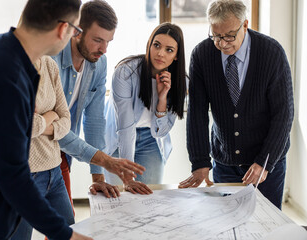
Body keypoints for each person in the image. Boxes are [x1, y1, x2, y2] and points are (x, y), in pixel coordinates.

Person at [0, 0, 141, 239]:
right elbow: (14, 175)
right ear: (63, 29)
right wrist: (67, 235)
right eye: (74, 30)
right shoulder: (9, 76)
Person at [179, 0, 294, 209]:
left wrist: (264, 162)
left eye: (229, 36)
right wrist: (200, 162)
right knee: (227, 224)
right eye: (216, 36)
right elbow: (197, 112)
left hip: (266, 163)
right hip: (225, 162)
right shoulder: (202, 55)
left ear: (245, 25)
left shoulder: (271, 52)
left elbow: (284, 114)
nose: (222, 44)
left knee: (266, 226)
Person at [54, 0, 144, 201]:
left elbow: (94, 120)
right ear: (77, 31)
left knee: (64, 224)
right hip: (29, 152)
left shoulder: (99, 63)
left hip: (61, 152)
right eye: (97, 40)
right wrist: (104, 160)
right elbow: (52, 126)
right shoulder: (52, 59)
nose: (104, 49)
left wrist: (98, 177)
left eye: (108, 42)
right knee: (18, 225)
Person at [103, 23, 187, 194]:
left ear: (177, 55)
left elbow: (159, 131)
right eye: (156, 45)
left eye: (169, 50)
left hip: (151, 140)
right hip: (119, 138)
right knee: (119, 197)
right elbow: (125, 127)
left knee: (148, 197)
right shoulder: (126, 72)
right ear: (149, 45)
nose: (160, 53)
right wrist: (127, 177)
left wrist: (162, 98)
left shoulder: (180, 82)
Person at [11, 55, 74, 239]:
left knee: (69, 233)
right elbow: (22, 126)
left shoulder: (49, 64)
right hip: (26, 176)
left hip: (54, 173)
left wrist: (43, 122)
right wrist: (50, 115)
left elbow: (66, 119)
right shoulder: (14, 68)